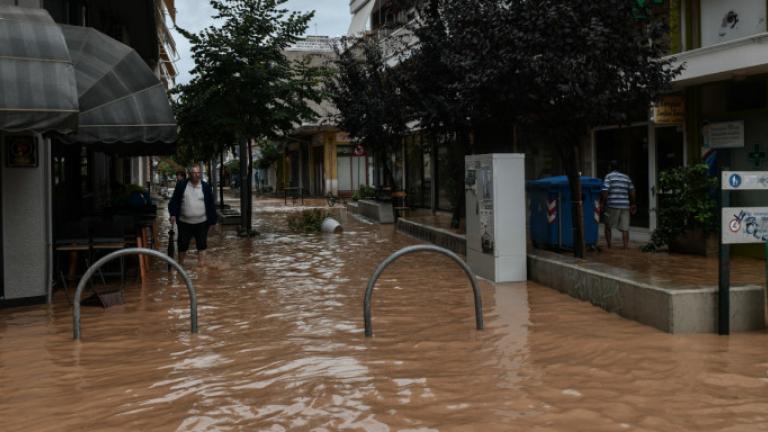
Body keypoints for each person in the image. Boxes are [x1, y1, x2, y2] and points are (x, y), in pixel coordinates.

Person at [169, 166, 217, 264]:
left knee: (202, 245)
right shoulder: (182, 185)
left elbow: (211, 204)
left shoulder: (205, 187)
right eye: (194, 173)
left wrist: (213, 222)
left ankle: (201, 267)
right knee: (182, 245)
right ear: (189, 174)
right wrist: (173, 214)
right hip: (184, 223)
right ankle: (180, 265)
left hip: (202, 223)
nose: (196, 175)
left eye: (198, 173)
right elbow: (174, 201)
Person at [600, 160, 636, 249]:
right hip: (625, 205)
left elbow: (605, 191)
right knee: (625, 228)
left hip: (612, 205)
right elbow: (632, 191)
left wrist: (603, 203)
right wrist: (633, 203)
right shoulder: (626, 177)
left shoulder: (609, 177)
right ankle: (625, 246)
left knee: (608, 226)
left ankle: (609, 246)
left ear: (610, 167)